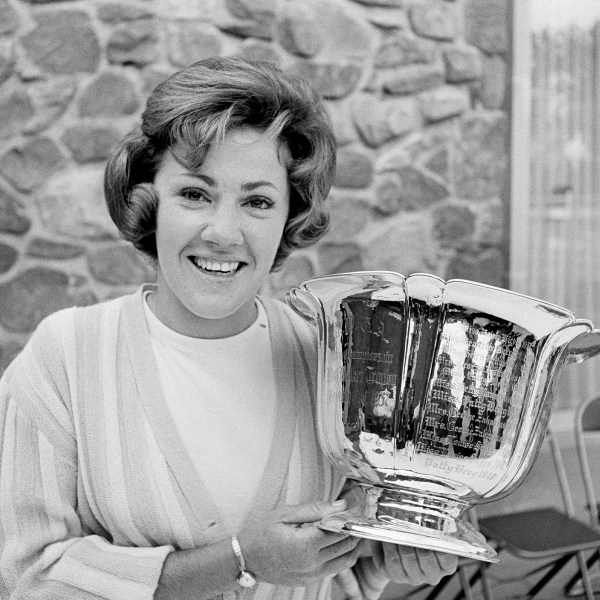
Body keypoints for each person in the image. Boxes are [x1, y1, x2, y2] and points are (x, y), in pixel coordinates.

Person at [0, 56, 457, 600]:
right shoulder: (66, 357)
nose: (223, 232)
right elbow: (29, 575)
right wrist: (238, 560)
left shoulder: (331, 361)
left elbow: (342, 573)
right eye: (195, 194)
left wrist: (391, 558)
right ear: (151, 200)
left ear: (290, 217)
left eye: (257, 201)